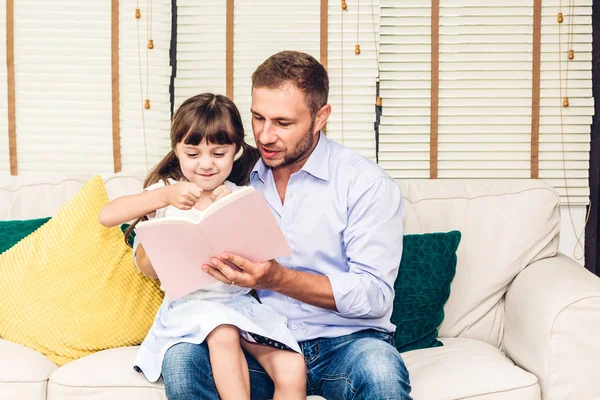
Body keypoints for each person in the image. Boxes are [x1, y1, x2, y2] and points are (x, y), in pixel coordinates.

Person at [144, 51, 413, 399]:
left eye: (283, 123)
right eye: (258, 118)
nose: (265, 136)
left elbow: (375, 296)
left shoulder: (365, 184)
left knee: (381, 372)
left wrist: (276, 279)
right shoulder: (230, 173)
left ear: (320, 117)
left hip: (347, 343)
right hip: (256, 340)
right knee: (182, 359)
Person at [98, 93, 307, 400]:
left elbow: (268, 250)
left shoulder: (240, 193)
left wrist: (239, 212)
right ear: (177, 150)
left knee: (292, 367)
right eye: (193, 155)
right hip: (189, 307)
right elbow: (106, 216)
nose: (206, 165)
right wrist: (163, 198)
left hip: (239, 305)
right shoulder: (168, 192)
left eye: (219, 153)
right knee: (223, 333)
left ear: (235, 151)